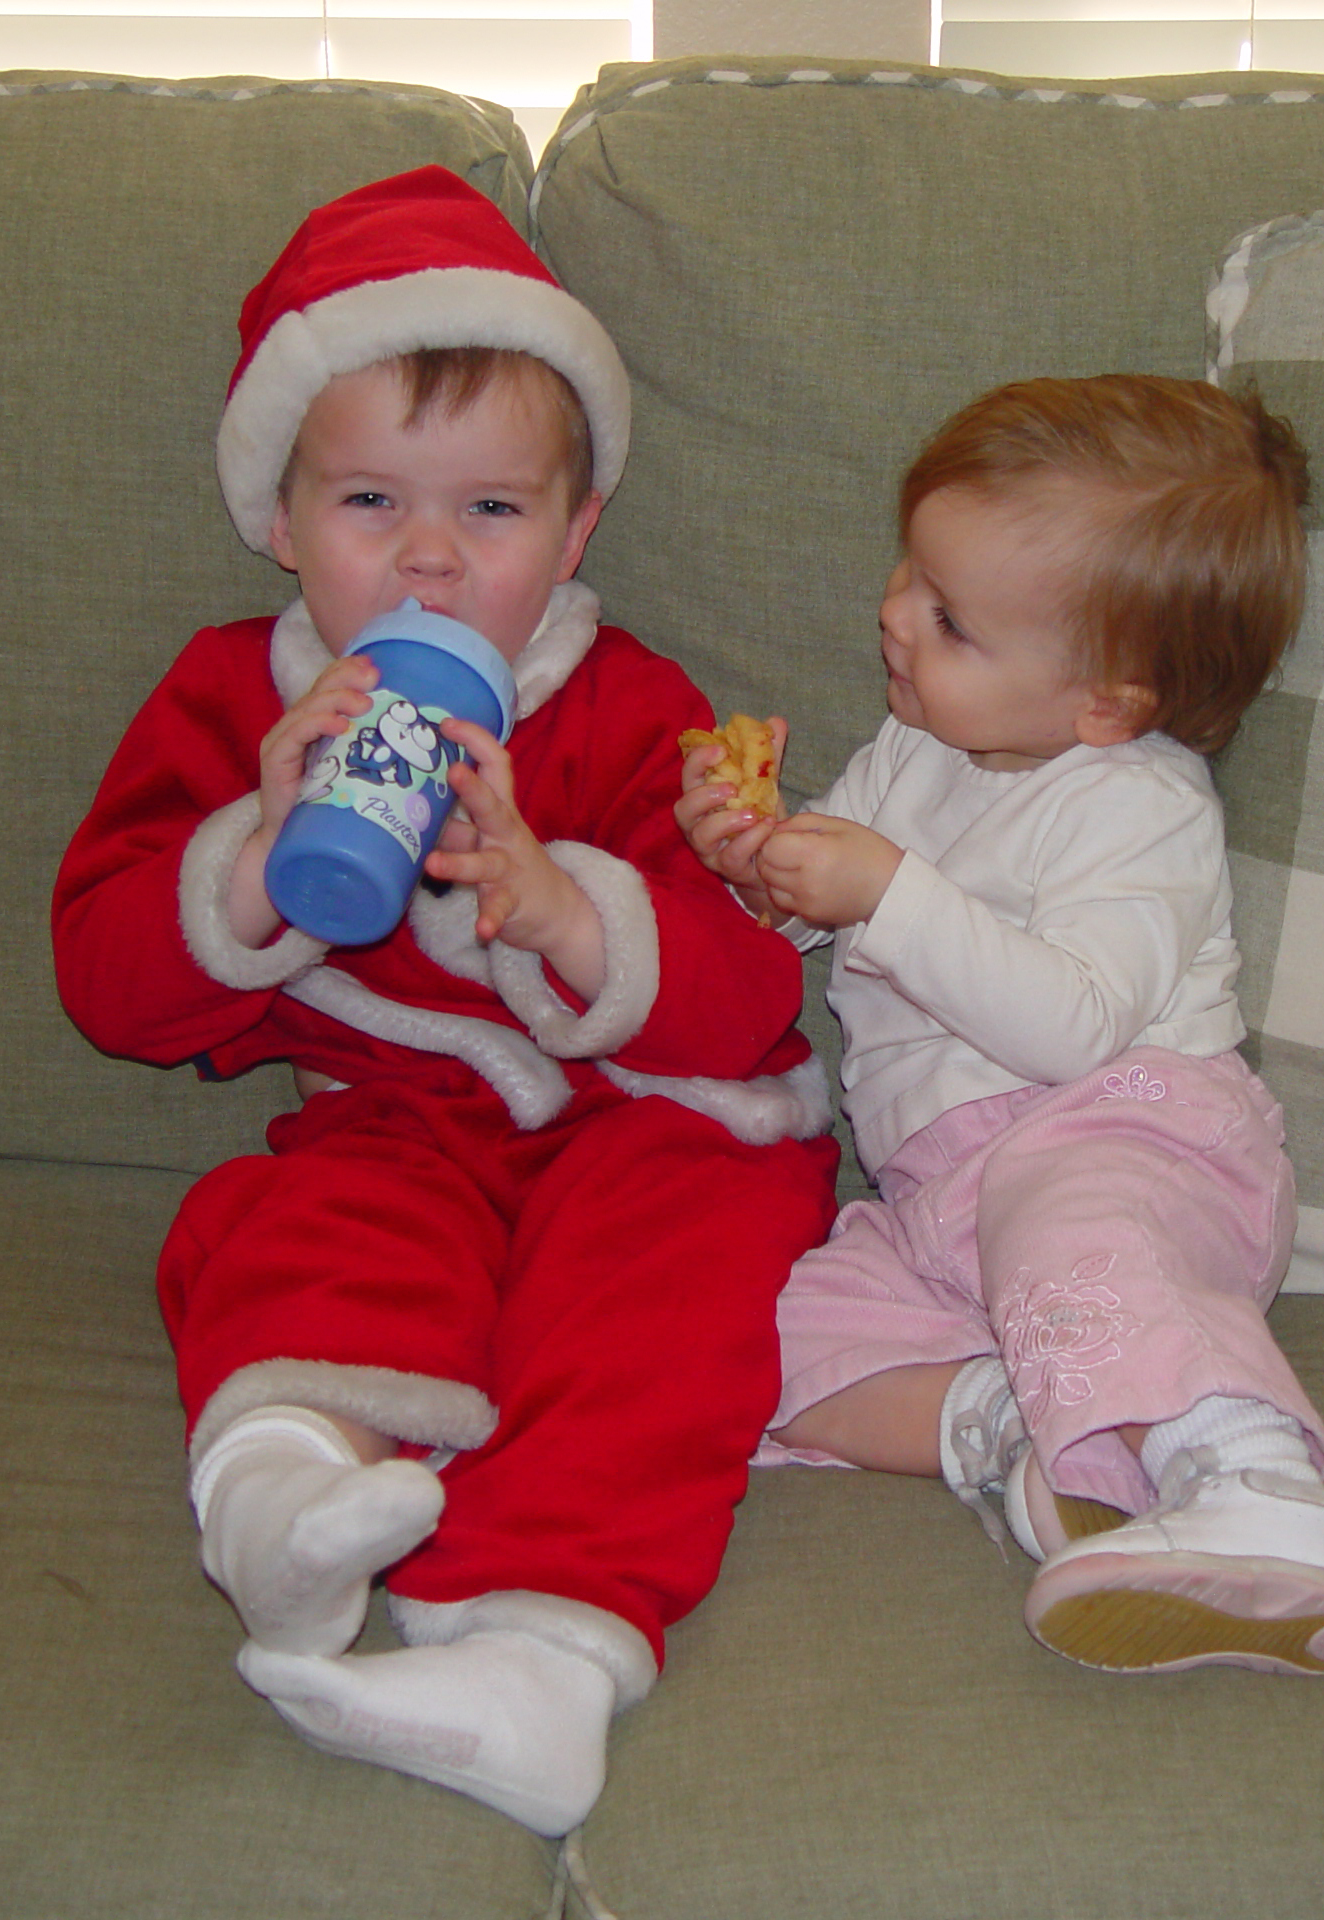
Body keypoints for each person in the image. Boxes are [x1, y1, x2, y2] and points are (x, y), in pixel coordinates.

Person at [54, 166, 839, 1834]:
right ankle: (286, 1505)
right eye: (368, 509)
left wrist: (565, 907)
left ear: (574, 532)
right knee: (297, 1221)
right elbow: (110, 987)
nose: (427, 561)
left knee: (672, 1298)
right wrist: (259, 858)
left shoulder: (638, 708)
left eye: (490, 514)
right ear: (279, 519)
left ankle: (539, 1657)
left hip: (640, 1131)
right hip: (394, 1114)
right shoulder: (224, 698)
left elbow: (753, 984)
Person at [678, 375, 1324, 1678]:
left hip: (1127, 1136)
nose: (894, 614)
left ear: (1105, 703)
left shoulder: (1138, 805)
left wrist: (885, 891)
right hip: (941, 1196)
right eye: (910, 569)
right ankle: (1010, 1428)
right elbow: (817, 922)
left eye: (949, 620)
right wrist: (758, 867)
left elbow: (1072, 1024)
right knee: (736, 1336)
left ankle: (1264, 1490)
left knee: (1080, 1241)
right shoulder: (916, 753)